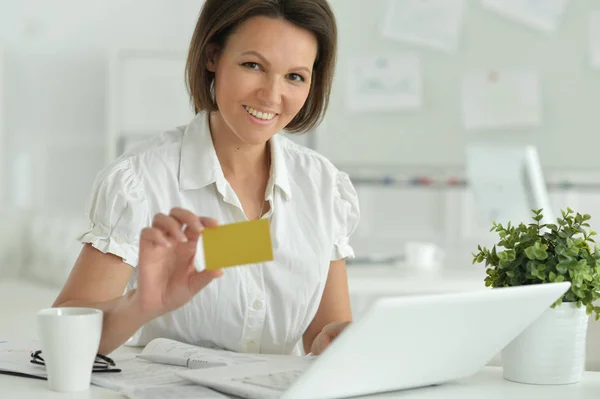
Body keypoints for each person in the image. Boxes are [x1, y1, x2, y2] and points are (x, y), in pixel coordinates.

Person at [53, 0, 360, 357]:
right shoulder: (140, 181)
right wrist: (142, 303)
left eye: (295, 76)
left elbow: (325, 332)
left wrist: (331, 341)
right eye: (253, 65)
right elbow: (62, 339)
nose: (272, 95)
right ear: (212, 56)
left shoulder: (322, 186)